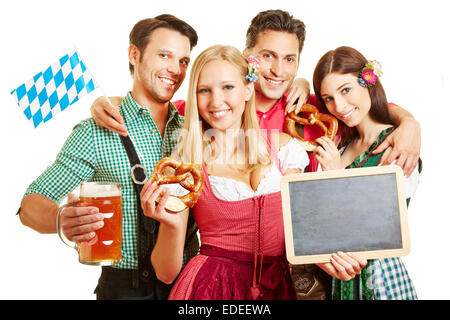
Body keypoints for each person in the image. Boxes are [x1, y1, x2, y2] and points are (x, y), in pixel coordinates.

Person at [88, 9, 421, 299]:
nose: (278, 69)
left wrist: (409, 123)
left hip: (287, 284)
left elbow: (360, 103)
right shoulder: (191, 143)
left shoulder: (305, 116)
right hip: (208, 286)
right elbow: (153, 110)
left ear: (245, 88)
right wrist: (110, 102)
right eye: (268, 56)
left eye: (289, 59)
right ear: (249, 60)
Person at [138, 44, 367, 300]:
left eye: (228, 87)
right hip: (211, 289)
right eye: (204, 90)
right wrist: (169, 224)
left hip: (277, 288)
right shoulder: (187, 163)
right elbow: (166, 273)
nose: (216, 101)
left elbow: (300, 230)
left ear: (248, 89)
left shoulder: (285, 149)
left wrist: (330, 261)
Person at [18, 15, 199, 300]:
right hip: (125, 289)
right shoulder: (95, 132)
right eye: (164, 55)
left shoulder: (196, 126)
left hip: (194, 286)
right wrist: (60, 218)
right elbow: (30, 205)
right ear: (134, 54)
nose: (175, 69)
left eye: (183, 61)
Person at [312, 46, 420, 300]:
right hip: (339, 279)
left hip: (380, 279)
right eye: (328, 98)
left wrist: (336, 175)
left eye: (346, 90)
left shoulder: (397, 143)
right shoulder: (341, 147)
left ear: (368, 82)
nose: (338, 106)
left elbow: (384, 226)